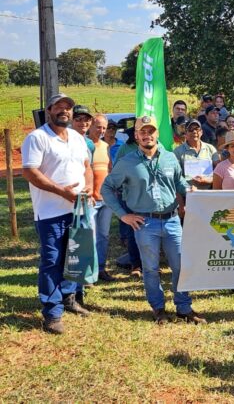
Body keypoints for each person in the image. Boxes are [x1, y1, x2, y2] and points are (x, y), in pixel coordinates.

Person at [102, 115, 205, 325]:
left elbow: (178, 182)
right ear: (137, 136)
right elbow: (106, 188)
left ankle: (184, 307)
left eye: (151, 131)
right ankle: (158, 308)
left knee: (180, 266)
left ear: (157, 134)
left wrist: (188, 189)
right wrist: (123, 215)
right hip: (145, 223)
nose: (147, 135)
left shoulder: (169, 158)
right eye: (142, 132)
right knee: (150, 268)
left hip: (172, 220)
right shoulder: (127, 162)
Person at [22, 94, 93, 334]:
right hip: (50, 212)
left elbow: (87, 167)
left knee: (75, 256)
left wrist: (90, 187)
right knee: (52, 261)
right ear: (49, 109)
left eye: (69, 108)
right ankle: (52, 313)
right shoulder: (37, 138)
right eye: (59, 107)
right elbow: (30, 173)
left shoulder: (76, 137)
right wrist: (61, 192)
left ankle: (69, 297)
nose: (65, 111)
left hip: (78, 209)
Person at [87, 114, 116, 282]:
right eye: (98, 127)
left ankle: (101, 269)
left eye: (104, 128)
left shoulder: (106, 146)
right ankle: (89, 272)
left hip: (105, 198)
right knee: (90, 236)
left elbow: (109, 169)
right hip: (90, 199)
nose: (102, 130)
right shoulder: (83, 145)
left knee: (103, 236)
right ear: (90, 126)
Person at [173, 119, 219, 190]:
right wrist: (187, 188)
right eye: (190, 129)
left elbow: (219, 172)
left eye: (197, 129)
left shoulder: (211, 149)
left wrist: (208, 180)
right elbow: (176, 176)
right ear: (186, 133)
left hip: (209, 193)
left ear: (201, 132)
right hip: (188, 194)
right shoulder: (177, 152)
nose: (194, 132)